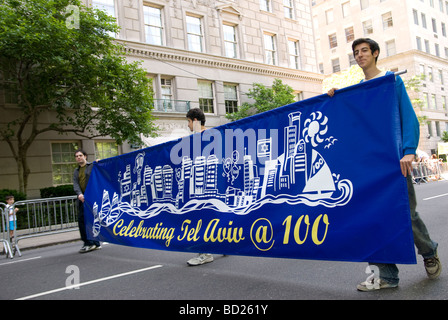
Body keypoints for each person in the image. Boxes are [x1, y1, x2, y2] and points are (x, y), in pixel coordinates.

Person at [328, 38, 441, 291]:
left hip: (394, 162)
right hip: (368, 166)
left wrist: (409, 151)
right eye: (355, 52)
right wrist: (333, 99)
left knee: (405, 213)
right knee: (372, 217)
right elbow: (347, 119)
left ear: (375, 53)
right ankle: (386, 276)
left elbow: (407, 115)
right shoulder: (356, 89)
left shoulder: (391, 81)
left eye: (364, 51)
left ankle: (429, 251)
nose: (359, 55)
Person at [184, 108, 214, 266]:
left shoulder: (206, 137)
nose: (187, 125)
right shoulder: (195, 138)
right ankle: (217, 245)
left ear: (195, 121)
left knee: (201, 218)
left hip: (204, 186)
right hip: (199, 184)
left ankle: (205, 253)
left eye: (188, 121)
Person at [73, 149, 101, 253]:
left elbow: (100, 171)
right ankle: (88, 242)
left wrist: (99, 162)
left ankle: (94, 243)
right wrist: (79, 194)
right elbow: (75, 184)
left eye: (80, 155)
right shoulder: (76, 171)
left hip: (92, 198)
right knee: (82, 221)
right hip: (82, 199)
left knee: (92, 220)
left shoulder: (92, 166)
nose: (78, 157)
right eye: (76, 156)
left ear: (85, 156)